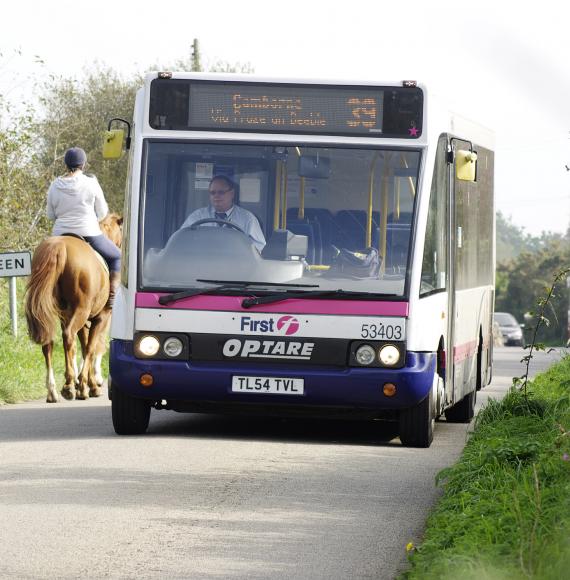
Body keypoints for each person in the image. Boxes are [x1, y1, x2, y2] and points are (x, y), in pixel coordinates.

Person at [46, 146, 121, 308]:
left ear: (65, 164)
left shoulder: (54, 185)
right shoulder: (91, 183)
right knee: (117, 256)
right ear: (83, 164)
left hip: (59, 235)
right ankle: (112, 298)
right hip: (89, 233)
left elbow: (50, 215)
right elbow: (102, 213)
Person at [180, 175, 266, 251]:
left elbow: (258, 247)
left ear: (232, 193)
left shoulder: (247, 219)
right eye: (212, 193)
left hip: (235, 265)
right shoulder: (197, 216)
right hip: (202, 263)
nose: (216, 196)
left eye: (221, 192)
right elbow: (181, 239)